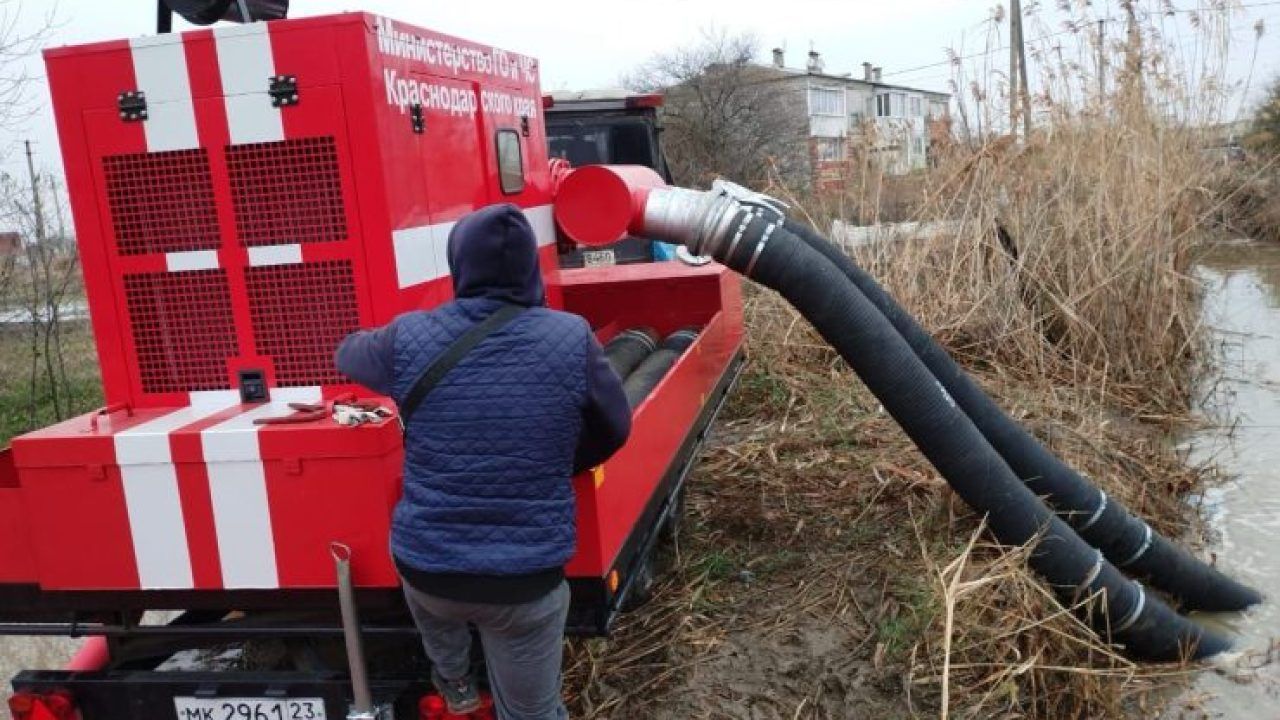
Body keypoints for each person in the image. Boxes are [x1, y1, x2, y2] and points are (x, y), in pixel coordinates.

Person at [335, 203, 632, 719]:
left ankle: (453, 681)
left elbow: (348, 353)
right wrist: (558, 457)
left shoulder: (408, 336)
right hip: (524, 580)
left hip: (428, 570)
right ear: (528, 267)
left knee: (435, 604)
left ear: (459, 264)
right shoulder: (570, 336)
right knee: (532, 711)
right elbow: (615, 427)